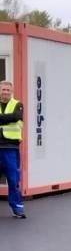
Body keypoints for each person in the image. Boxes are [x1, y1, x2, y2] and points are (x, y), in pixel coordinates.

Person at [0, 80, 26, 218]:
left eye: (7, 90)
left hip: (10, 148)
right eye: (3, 90)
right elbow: (11, 119)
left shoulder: (17, 105)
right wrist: (7, 119)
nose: (5, 92)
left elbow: (16, 117)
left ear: (12, 92)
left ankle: (17, 208)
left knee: (13, 179)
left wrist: (3, 118)